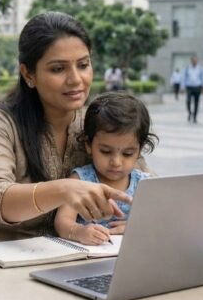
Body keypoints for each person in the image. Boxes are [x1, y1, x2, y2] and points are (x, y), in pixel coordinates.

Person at [0, 12, 142, 239]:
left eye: (83, 65)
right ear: (28, 74)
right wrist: (64, 190)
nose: (75, 79)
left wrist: (138, 221)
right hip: (6, 257)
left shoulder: (97, 122)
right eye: (58, 69)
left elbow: (149, 187)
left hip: (80, 257)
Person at [54, 92, 156, 245]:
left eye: (127, 153)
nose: (116, 162)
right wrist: (79, 232)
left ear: (139, 150)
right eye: (106, 151)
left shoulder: (145, 185)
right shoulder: (80, 180)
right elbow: (62, 221)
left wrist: (135, 227)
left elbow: (160, 221)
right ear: (89, 145)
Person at [181, 55, 203, 124]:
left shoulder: (200, 68)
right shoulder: (187, 68)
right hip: (189, 87)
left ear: (197, 61)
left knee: (196, 103)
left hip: (197, 87)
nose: (195, 61)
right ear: (191, 60)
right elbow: (184, 77)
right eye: (193, 60)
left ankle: (195, 117)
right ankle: (190, 113)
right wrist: (182, 87)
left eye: (196, 60)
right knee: (188, 101)